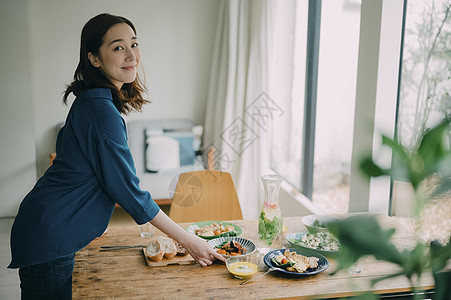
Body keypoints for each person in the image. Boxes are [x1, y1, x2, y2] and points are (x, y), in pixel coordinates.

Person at [8, 13, 225, 299]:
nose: (131, 55)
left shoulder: (92, 100)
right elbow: (130, 193)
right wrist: (189, 240)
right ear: (94, 59)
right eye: (117, 47)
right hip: (51, 233)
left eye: (134, 44)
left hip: (47, 225)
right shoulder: (100, 111)